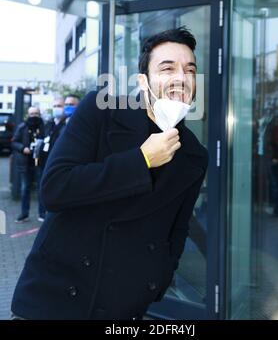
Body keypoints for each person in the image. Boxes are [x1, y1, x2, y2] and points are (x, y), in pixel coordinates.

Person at [11, 27, 208, 320]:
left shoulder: (194, 154)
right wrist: (141, 160)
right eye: (167, 68)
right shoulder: (101, 112)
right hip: (55, 299)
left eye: (189, 70)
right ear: (144, 82)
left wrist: (155, 283)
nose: (181, 78)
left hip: (124, 308)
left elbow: (177, 231)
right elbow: (55, 188)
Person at [11, 107, 46, 223]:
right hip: (26, 163)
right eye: (31, 114)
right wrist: (23, 148)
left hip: (40, 162)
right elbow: (14, 142)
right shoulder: (22, 127)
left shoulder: (44, 127)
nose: (34, 116)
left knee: (42, 188)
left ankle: (42, 214)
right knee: (25, 188)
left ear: (39, 114)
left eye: (36, 113)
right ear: (28, 115)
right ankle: (24, 214)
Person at [39, 97, 67, 171]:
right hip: (45, 162)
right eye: (54, 106)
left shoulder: (68, 125)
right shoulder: (48, 124)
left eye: (59, 106)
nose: (56, 108)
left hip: (58, 164)